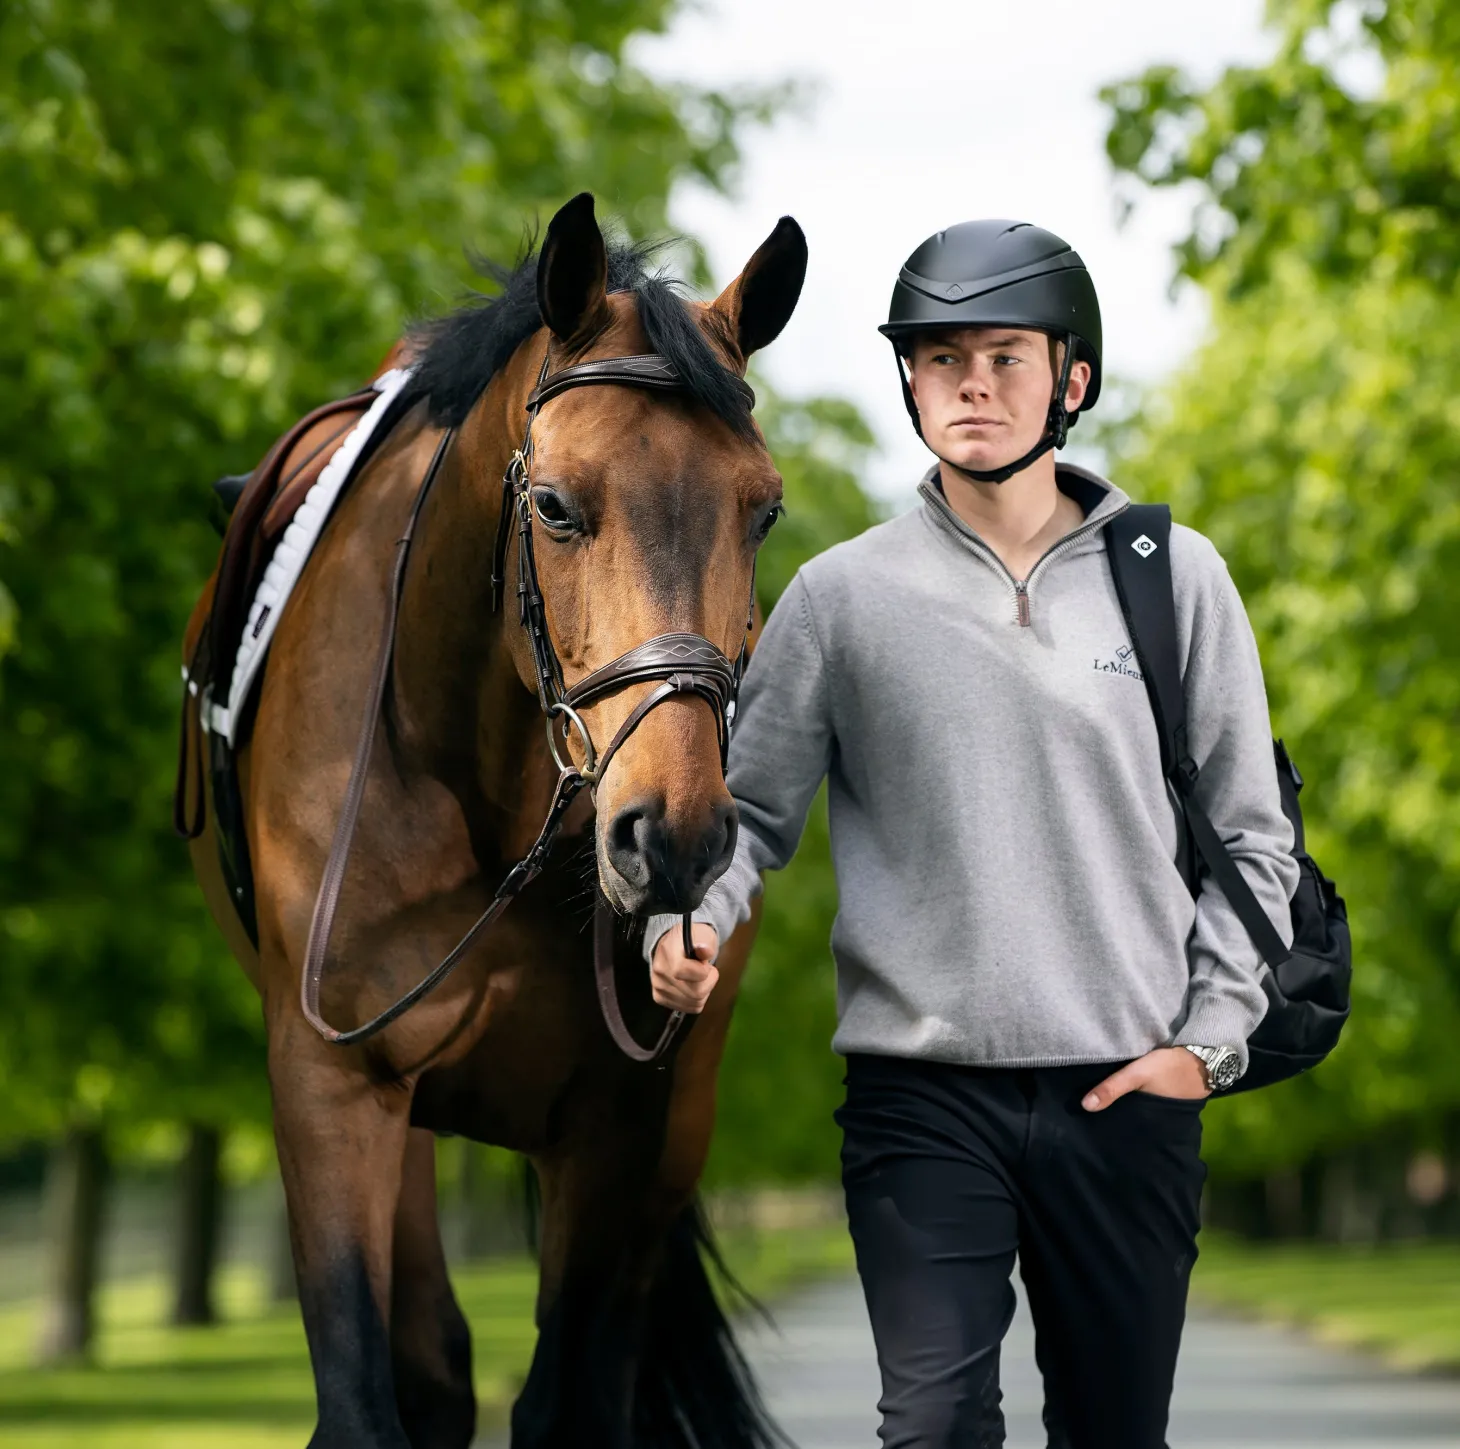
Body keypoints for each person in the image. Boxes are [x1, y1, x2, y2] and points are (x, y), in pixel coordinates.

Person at [644, 219, 1298, 1448]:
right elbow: (749, 818)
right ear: (908, 381)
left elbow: (1250, 840)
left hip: (1126, 1092)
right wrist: (688, 923)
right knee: (932, 1428)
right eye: (941, 359)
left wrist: (1204, 1048)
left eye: (1005, 357)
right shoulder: (837, 598)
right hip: (919, 1098)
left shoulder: (1176, 578)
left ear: (1072, 379)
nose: (972, 385)